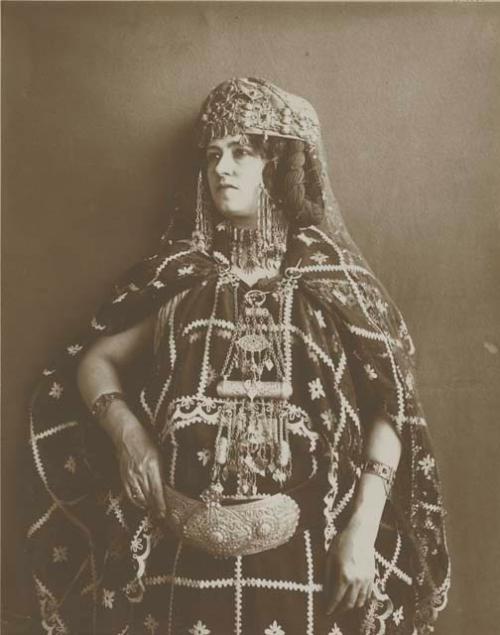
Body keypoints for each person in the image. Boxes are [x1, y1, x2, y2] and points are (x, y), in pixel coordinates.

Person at [27, 78, 450, 635]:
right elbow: (93, 362)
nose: (221, 169)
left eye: (242, 152)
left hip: (311, 553)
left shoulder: (332, 284)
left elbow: (389, 408)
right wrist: (130, 438)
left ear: (280, 166)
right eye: (213, 155)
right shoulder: (181, 278)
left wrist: (364, 527)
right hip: (180, 557)